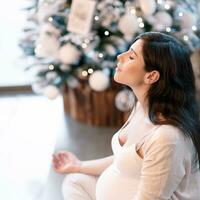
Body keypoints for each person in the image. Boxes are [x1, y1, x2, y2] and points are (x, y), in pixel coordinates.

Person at [52, 32, 200, 200]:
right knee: (74, 181)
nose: (120, 56)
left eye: (131, 57)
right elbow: (123, 160)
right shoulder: (142, 108)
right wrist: (78, 166)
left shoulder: (167, 138)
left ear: (151, 76)